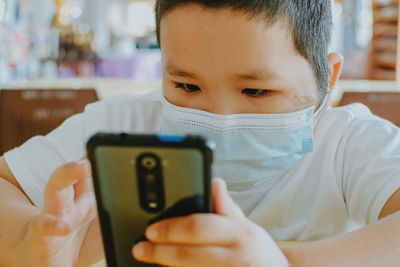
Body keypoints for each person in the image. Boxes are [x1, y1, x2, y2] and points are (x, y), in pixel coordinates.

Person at [1, 0, 400, 266]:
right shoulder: (115, 127)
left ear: (327, 80)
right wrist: (29, 242)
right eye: (187, 86)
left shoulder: (349, 142)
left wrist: (277, 262)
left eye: (257, 90)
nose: (219, 118)